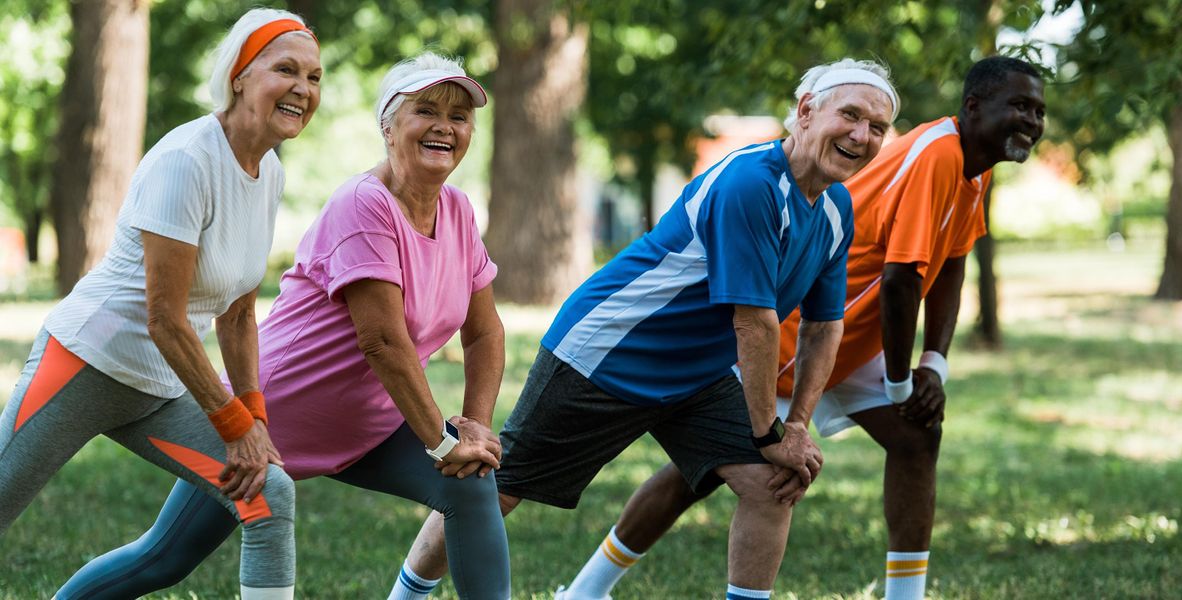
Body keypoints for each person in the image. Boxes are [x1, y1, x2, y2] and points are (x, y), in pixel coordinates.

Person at [397, 58, 900, 600]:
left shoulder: (835, 208)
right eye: (850, 115)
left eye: (877, 127)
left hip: (698, 375)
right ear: (806, 112)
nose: (861, 135)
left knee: (773, 485)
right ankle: (403, 597)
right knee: (498, 488)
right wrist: (768, 434)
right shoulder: (750, 183)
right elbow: (754, 322)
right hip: (609, 352)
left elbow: (824, 326)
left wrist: (796, 425)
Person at [557, 56, 1046, 600]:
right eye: (1020, 106)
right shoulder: (937, 153)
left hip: (854, 337)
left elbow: (952, 260)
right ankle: (584, 590)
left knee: (915, 436)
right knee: (705, 472)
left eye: (1040, 111)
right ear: (974, 107)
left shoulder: (973, 173)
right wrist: (904, 382)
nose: (1032, 120)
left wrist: (936, 361)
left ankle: (905, 596)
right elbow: (901, 279)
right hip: (796, 340)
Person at [53, 53, 511, 600]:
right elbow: (383, 342)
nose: (444, 126)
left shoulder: (457, 210)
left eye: (459, 118)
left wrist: (477, 426)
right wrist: (441, 442)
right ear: (389, 126)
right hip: (274, 420)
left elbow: (484, 332)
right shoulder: (364, 204)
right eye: (426, 111)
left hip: (373, 423)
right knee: (165, 557)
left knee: (471, 484)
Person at [0, 8, 320, 599]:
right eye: (286, 69)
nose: (303, 88)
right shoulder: (187, 160)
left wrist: (255, 417)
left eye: (314, 76)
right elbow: (164, 319)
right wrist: (231, 424)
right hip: (84, 362)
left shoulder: (269, 170)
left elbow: (240, 312)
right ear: (241, 76)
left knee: (268, 495)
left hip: (158, 385)